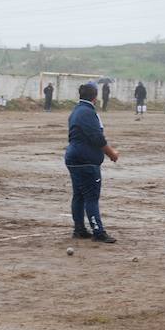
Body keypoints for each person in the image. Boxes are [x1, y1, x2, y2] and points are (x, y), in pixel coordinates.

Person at [65, 82, 119, 244]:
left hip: (74, 158)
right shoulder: (87, 112)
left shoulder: (76, 111)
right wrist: (111, 153)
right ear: (95, 97)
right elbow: (97, 138)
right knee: (91, 197)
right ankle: (98, 231)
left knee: (79, 195)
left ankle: (79, 229)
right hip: (86, 160)